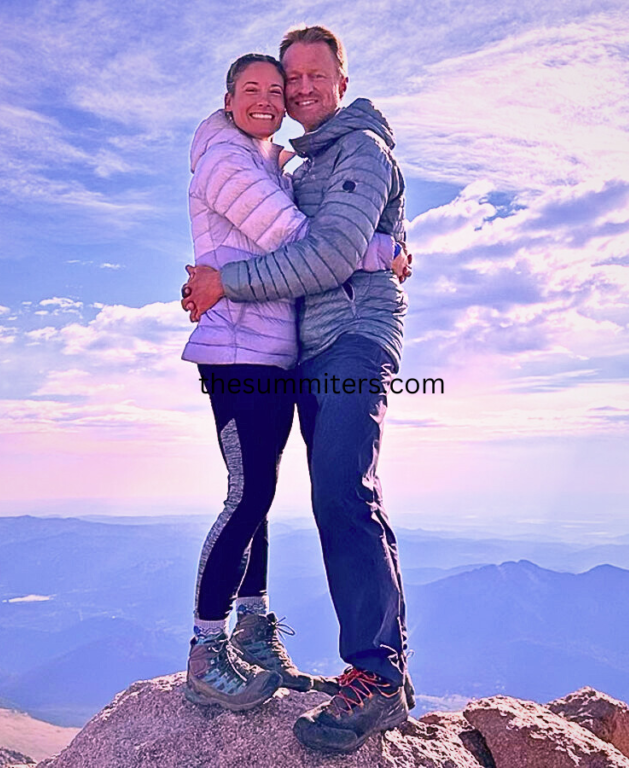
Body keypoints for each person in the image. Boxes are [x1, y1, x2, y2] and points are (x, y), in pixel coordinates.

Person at [182, 25, 413, 754]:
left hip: (349, 340)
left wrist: (225, 282)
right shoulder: (294, 161)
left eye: (314, 77)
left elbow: (326, 251)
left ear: (342, 81)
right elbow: (291, 228)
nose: (299, 90)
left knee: (344, 494)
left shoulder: (359, 150)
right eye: (290, 80)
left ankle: (376, 677)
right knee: (317, 496)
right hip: (307, 353)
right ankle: (357, 667)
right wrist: (386, 248)